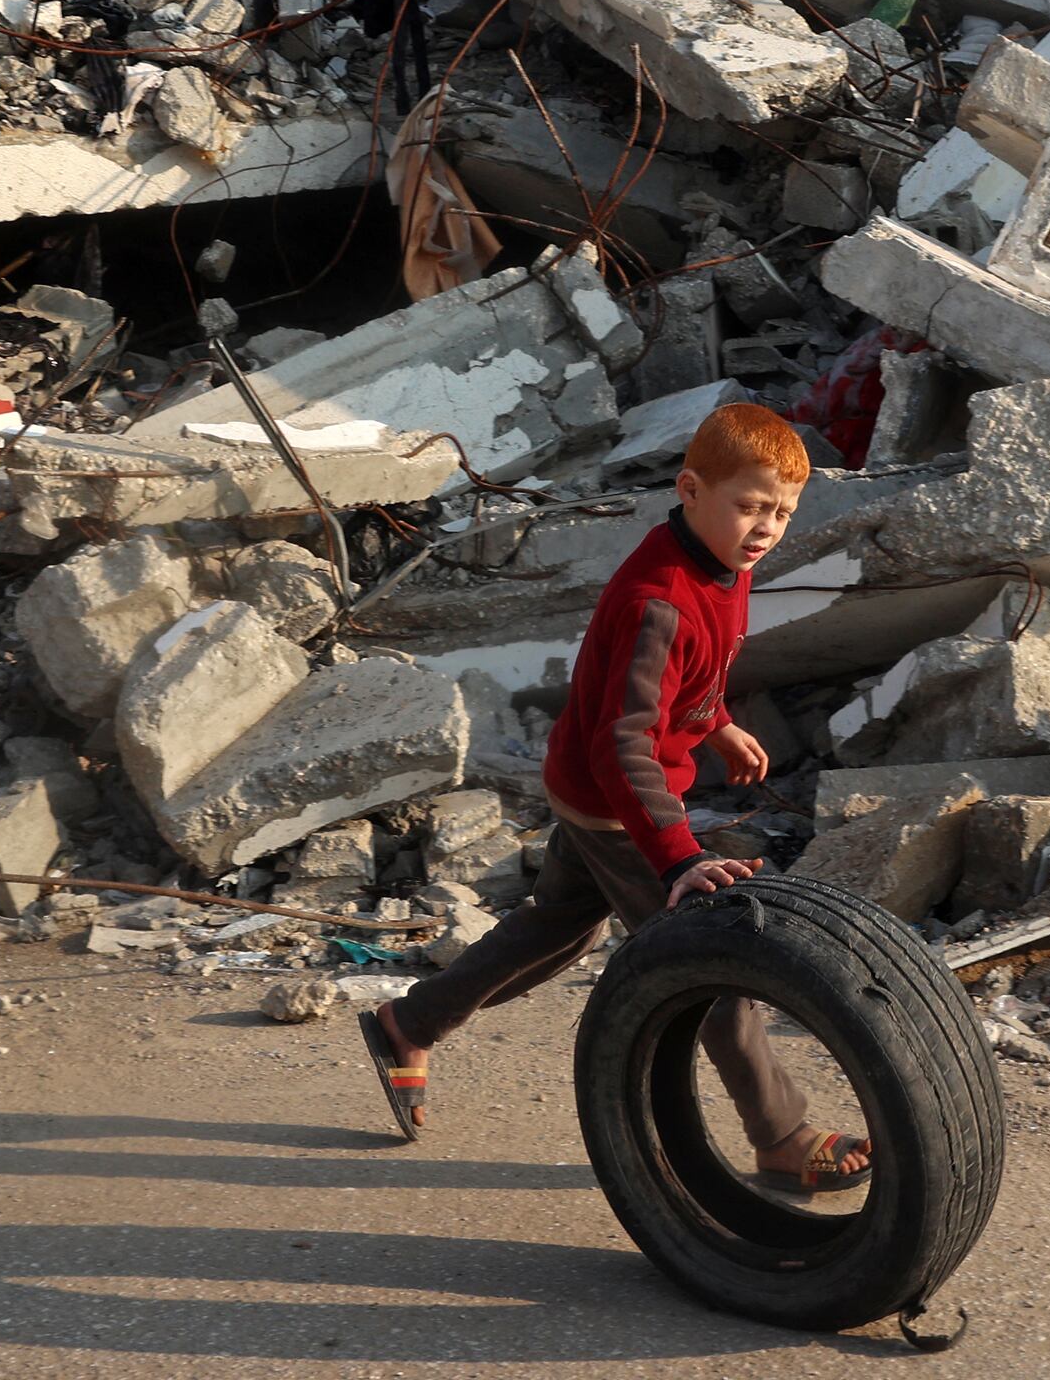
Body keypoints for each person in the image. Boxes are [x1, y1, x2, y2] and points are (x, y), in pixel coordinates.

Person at [358, 402, 874, 1194]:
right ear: (690, 488)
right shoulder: (656, 599)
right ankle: (781, 1135)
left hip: (595, 791)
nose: (766, 528)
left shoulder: (718, 564)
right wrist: (678, 859)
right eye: (750, 507)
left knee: (556, 931)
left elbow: (689, 679)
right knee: (713, 962)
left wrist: (718, 725)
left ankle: (410, 1023)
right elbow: (624, 741)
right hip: (617, 801)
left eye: (781, 512)